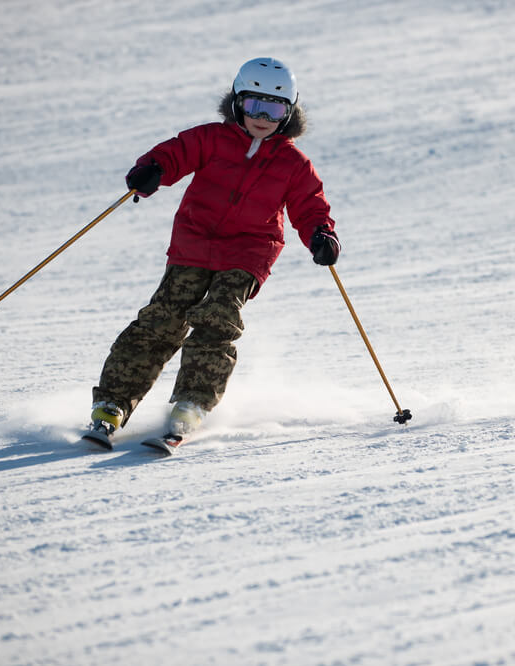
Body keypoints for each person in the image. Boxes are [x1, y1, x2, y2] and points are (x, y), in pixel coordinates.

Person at [83, 57, 340, 450]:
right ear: (238, 102)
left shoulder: (293, 162)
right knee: (163, 319)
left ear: (289, 112)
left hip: (249, 252)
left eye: (274, 109)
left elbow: (310, 206)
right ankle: (112, 404)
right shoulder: (212, 138)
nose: (262, 117)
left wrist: (321, 235)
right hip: (194, 241)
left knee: (219, 319)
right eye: (254, 105)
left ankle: (190, 405)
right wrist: (151, 170)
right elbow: (175, 154)